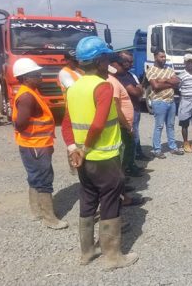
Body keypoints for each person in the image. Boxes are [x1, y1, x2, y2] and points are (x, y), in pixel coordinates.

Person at [62, 36, 138, 270]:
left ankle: (87, 252)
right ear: (99, 61)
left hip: (83, 160)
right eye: (106, 59)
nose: (109, 64)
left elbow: (66, 123)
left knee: (87, 201)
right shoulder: (102, 86)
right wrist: (85, 148)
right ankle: (113, 257)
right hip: (104, 158)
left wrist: (74, 148)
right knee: (109, 203)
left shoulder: (74, 88)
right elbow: (97, 123)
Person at [12, 58, 69, 230]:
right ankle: (49, 218)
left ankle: (36, 211)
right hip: (36, 144)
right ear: (25, 77)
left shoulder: (29, 91)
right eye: (36, 74)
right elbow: (20, 123)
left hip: (34, 143)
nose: (40, 76)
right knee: (44, 178)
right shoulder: (27, 96)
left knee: (35, 176)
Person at [107, 54, 144, 177]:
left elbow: (139, 91)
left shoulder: (125, 76)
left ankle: (126, 173)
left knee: (128, 146)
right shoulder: (112, 80)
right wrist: (127, 126)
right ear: (112, 65)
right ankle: (122, 179)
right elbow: (117, 106)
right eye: (122, 62)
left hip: (128, 119)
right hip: (123, 124)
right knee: (123, 150)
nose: (125, 65)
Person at [146, 49, 184, 159]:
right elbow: (155, 87)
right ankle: (157, 149)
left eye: (164, 57)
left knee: (171, 125)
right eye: (161, 57)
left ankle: (173, 147)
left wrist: (163, 80)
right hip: (159, 102)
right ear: (155, 57)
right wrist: (169, 82)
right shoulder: (151, 70)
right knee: (159, 126)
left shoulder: (169, 69)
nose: (163, 59)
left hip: (171, 101)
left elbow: (177, 82)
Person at [118, 51, 151, 161]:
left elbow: (139, 89)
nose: (132, 64)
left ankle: (137, 154)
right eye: (129, 62)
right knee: (131, 135)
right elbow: (136, 92)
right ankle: (132, 160)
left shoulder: (130, 75)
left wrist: (139, 88)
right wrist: (138, 88)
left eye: (132, 62)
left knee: (135, 132)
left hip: (135, 109)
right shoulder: (120, 76)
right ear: (121, 61)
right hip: (127, 111)